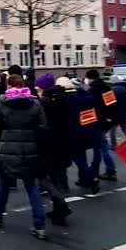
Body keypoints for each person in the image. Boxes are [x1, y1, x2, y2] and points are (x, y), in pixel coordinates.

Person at [0, 75, 47, 239]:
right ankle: (39, 225)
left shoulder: (2, 102)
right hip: (29, 149)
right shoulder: (34, 103)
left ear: (8, 85)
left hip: (8, 148)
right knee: (32, 187)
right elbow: (43, 126)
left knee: (4, 185)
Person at [36, 73, 73, 225]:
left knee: (42, 178)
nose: (36, 88)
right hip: (62, 144)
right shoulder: (62, 99)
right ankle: (58, 210)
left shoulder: (43, 103)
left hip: (47, 145)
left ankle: (62, 205)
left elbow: (39, 126)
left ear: (43, 87)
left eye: (38, 86)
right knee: (56, 177)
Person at [56, 77, 100, 194]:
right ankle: (85, 179)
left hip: (74, 134)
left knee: (77, 158)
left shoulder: (66, 100)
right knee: (82, 156)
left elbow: (65, 120)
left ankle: (90, 177)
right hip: (89, 132)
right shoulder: (86, 97)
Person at [84, 70, 117, 181]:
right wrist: (109, 118)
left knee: (103, 147)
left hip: (96, 122)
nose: (86, 80)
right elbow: (112, 104)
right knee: (99, 146)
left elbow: (89, 108)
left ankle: (110, 171)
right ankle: (97, 170)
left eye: (87, 78)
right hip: (106, 121)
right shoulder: (107, 88)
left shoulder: (92, 91)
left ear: (91, 78)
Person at [110, 82, 126, 148]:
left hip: (114, 113)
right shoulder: (124, 89)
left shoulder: (110, 90)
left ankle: (114, 145)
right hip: (124, 113)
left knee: (113, 129)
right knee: (125, 128)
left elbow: (109, 104)